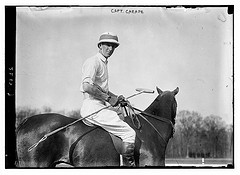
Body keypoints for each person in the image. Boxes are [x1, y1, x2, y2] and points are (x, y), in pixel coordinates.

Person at [80, 32, 136, 166]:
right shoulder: (93, 62)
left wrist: (116, 98)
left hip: (100, 106)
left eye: (113, 46)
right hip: (92, 107)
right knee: (129, 133)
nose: (110, 49)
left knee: (121, 116)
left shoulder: (103, 63)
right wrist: (107, 98)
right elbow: (86, 86)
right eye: (107, 45)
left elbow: (101, 89)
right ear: (100, 45)